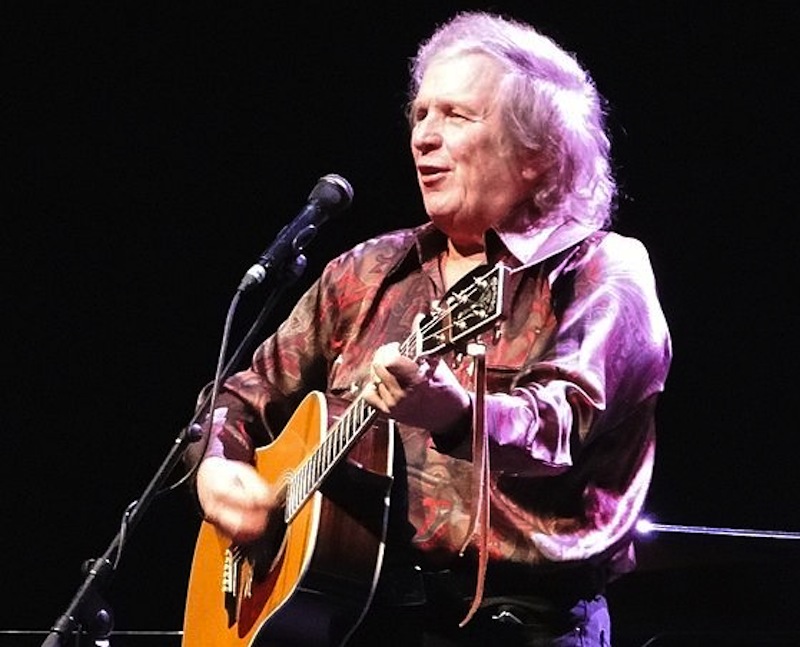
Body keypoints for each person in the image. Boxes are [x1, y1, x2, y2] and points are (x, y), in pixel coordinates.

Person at [184, 10, 672, 647]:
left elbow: (560, 424)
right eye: (420, 114)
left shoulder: (600, 271)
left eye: (456, 116)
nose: (423, 137)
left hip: (519, 624)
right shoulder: (366, 272)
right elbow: (236, 398)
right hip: (356, 620)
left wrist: (453, 411)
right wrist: (219, 474)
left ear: (537, 154)